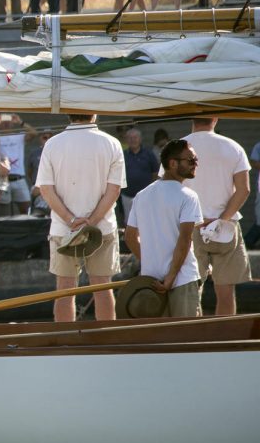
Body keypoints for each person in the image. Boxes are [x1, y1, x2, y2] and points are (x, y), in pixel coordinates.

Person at [34, 113, 126, 322]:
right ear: (94, 113)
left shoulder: (52, 144)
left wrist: (70, 219)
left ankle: (65, 345)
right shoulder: (112, 143)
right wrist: (90, 223)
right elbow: (114, 191)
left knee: (65, 290)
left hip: (64, 227)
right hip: (101, 227)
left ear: (68, 113)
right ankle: (105, 341)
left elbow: (46, 189)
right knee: (103, 287)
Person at [124, 139, 203, 318]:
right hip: (182, 278)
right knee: (188, 338)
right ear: (173, 163)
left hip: (151, 280)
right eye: (191, 160)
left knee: (159, 340)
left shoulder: (141, 196)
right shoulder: (189, 197)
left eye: (196, 159)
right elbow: (184, 240)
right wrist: (170, 277)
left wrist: (152, 261)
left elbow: (129, 237)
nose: (195, 164)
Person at [182, 118, 251, 316]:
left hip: (191, 225)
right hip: (226, 225)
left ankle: (193, 341)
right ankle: (225, 339)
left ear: (192, 118)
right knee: (226, 291)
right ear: (215, 119)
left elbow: (169, 188)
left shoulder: (178, 147)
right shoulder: (233, 147)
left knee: (191, 290)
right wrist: (223, 218)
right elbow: (244, 189)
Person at [0, 113, 37, 214]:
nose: (6, 124)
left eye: (9, 122)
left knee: (26, 210)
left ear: (13, 123)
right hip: (2, 180)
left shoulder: (19, 136)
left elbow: (34, 133)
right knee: (4, 211)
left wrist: (21, 122)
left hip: (19, 178)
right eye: (4, 122)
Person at [121, 127, 159, 221]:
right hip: (127, 195)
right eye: (130, 138)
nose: (133, 140)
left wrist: (152, 190)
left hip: (145, 195)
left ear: (140, 139)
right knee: (129, 221)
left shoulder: (149, 154)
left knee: (146, 220)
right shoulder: (122, 155)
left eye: (135, 137)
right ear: (126, 140)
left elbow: (155, 173)